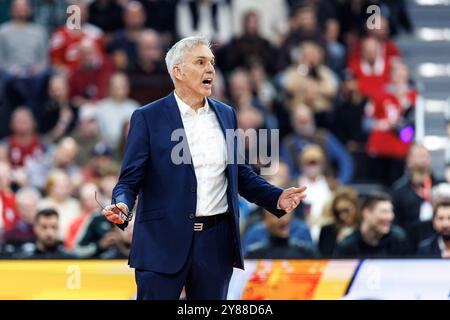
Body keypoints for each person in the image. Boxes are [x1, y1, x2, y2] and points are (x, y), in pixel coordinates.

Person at [101, 36, 307, 300]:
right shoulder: (147, 117)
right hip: (161, 242)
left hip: (215, 243)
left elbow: (240, 173)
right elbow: (129, 180)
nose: (210, 69)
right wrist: (122, 204)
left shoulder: (226, 114)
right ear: (178, 71)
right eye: (200, 62)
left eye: (211, 62)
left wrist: (275, 197)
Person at [334, 192, 410, 258]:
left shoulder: (398, 239)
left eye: (391, 212)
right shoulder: (347, 246)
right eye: (384, 212)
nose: (390, 217)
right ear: (366, 213)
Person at [245, 211, 318, 259]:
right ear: (265, 221)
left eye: (286, 214)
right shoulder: (254, 252)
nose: (283, 220)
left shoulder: (306, 251)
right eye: (275, 216)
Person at [318, 187, 360, 257]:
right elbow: (322, 257)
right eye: (338, 212)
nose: (342, 216)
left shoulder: (363, 230)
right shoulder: (327, 231)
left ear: (356, 207)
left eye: (346, 210)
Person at [1, 186, 40, 256]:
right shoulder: (9, 234)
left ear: (37, 207)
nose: (28, 212)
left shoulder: (44, 232)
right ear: (17, 209)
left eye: (31, 208)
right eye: (24, 208)